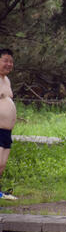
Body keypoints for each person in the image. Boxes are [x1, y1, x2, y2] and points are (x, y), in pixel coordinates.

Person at [0, 49, 17, 200]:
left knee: (2, 165)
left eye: (11, 61)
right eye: (5, 60)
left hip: (7, 132)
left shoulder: (7, 80)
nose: (9, 64)